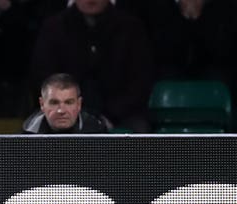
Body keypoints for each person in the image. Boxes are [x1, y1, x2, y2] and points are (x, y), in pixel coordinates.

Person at [29, 0, 154, 133]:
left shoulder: (131, 28)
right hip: (63, 110)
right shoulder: (54, 27)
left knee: (140, 133)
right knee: (34, 131)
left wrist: (109, 115)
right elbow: (42, 77)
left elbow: (140, 82)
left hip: (122, 115)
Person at [22, 73, 110, 134]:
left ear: (79, 104)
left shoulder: (98, 132)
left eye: (68, 102)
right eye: (54, 103)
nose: (61, 110)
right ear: (42, 104)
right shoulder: (26, 135)